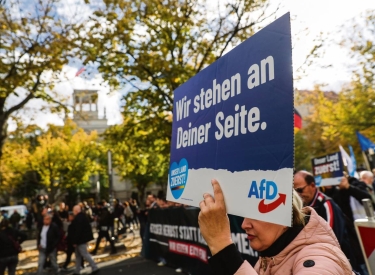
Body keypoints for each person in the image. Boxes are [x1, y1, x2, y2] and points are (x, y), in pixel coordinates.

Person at [198, 179, 355, 275]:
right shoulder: (267, 259)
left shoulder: (319, 257)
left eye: (255, 214)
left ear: (284, 217)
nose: (244, 224)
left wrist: (221, 244)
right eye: (244, 215)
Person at [294, 170, 365, 274]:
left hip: (343, 263)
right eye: (294, 191)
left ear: (312, 185)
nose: (298, 195)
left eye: (300, 190)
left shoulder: (326, 204)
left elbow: (330, 238)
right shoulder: (303, 207)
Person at [70, 205, 99, 275]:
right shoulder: (82, 217)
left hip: (80, 240)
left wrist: (75, 241)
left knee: (84, 254)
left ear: (76, 211)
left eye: (74, 211)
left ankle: (94, 267)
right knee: (79, 255)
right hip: (81, 239)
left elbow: (78, 230)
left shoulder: (78, 218)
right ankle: (77, 270)